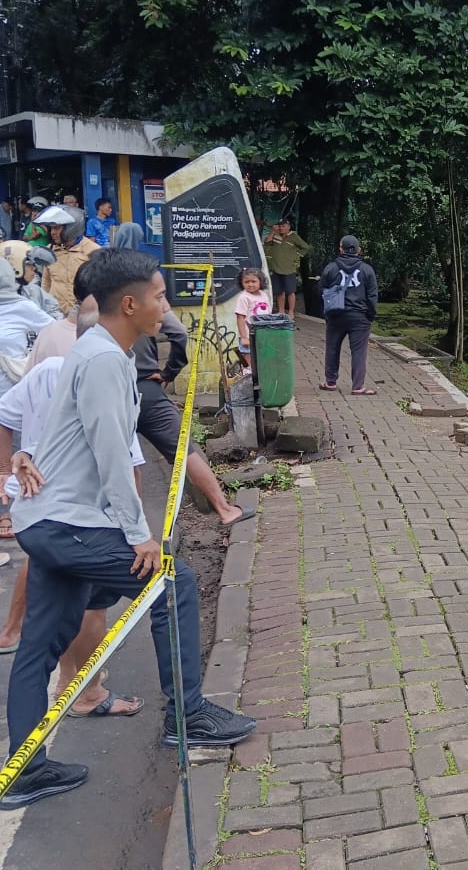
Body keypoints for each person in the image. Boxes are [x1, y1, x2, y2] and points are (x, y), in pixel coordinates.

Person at [1, 248, 256, 809]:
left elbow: (64, 435)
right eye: (160, 296)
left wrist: (21, 457)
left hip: (53, 524)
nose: (166, 305)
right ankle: (188, 716)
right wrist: (140, 534)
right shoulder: (102, 360)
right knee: (174, 582)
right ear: (130, 303)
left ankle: (25, 770)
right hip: (66, 524)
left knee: (41, 645)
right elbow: (112, 452)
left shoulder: (104, 352)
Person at [0, 298, 148, 726]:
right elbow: (123, 462)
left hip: (41, 518)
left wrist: (19, 456)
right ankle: (87, 689)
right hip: (80, 522)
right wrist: (137, 532)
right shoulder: (105, 374)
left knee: (41, 634)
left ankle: (31, 760)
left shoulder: (52, 369)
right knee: (153, 591)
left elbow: (18, 419)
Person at [98, 237, 254, 527]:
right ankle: (223, 509)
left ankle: (131, 526)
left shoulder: (94, 306)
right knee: (183, 448)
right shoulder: (144, 293)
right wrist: (169, 372)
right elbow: (179, 334)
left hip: (109, 388)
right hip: (145, 386)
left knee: (120, 456)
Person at [319, 234, 378, 395]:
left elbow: (322, 290)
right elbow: (372, 296)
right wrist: (370, 315)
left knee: (332, 348)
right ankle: (358, 386)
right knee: (359, 351)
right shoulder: (367, 270)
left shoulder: (331, 267)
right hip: (360, 317)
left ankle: (330, 382)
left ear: (340, 249)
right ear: (358, 250)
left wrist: (327, 313)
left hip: (336, 315)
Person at [0, 257, 55, 396]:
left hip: (10, 393)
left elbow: (56, 331)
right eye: (29, 266)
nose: (34, 270)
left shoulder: (22, 306)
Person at [41, 206, 100, 314]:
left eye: (57, 228)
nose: (52, 232)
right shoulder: (49, 251)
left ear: (72, 228)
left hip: (82, 314)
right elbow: (46, 282)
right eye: (51, 228)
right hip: (55, 314)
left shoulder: (93, 251)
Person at [2, 240, 63, 320]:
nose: (34, 268)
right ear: (14, 266)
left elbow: (53, 310)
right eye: (29, 264)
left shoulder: (33, 290)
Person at [263, 218, 310, 319]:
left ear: (288, 227)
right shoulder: (276, 235)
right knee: (279, 291)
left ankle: (291, 312)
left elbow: (306, 247)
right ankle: (281, 311)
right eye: (280, 226)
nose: (281, 228)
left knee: (290, 291)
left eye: (283, 226)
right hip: (276, 268)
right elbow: (266, 243)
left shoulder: (294, 236)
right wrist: (273, 231)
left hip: (289, 269)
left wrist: (296, 256)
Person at [233, 268, 271, 369]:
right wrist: (244, 337)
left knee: (262, 360)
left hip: (262, 335)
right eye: (246, 282)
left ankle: (260, 382)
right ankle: (248, 381)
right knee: (249, 364)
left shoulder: (264, 295)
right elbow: (240, 318)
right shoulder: (244, 297)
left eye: (253, 281)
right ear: (242, 283)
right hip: (249, 335)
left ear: (261, 282)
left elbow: (268, 315)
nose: (250, 284)